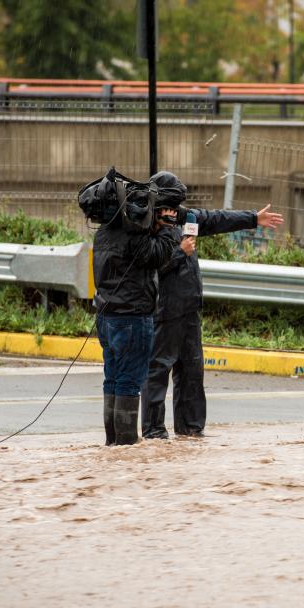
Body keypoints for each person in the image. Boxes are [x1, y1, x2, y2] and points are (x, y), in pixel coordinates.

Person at [142, 172, 284, 439]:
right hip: (165, 311)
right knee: (158, 370)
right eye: (171, 204)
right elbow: (147, 264)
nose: (174, 210)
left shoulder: (184, 218)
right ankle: (153, 434)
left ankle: (191, 431)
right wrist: (178, 252)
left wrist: (254, 218)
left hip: (190, 309)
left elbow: (216, 219)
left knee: (192, 371)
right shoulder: (146, 224)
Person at [92, 174, 179, 446]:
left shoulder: (104, 232)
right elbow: (159, 255)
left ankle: (112, 444)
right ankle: (127, 445)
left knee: (113, 380)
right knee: (129, 383)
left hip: (106, 317)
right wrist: (165, 227)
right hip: (132, 318)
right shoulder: (136, 236)